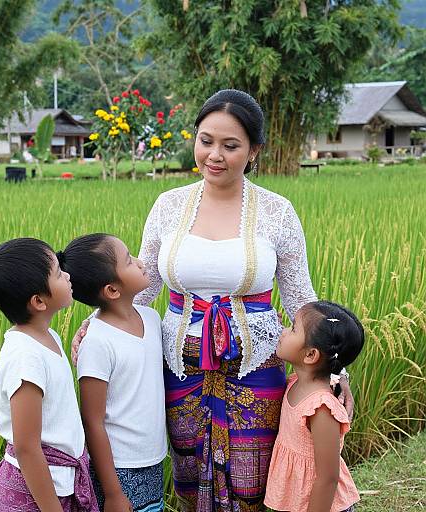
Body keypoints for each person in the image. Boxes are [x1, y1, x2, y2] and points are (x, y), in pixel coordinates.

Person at [72, 89, 353, 511]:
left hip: (256, 366)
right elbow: (143, 284)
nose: (214, 155)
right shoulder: (169, 205)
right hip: (178, 366)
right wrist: (97, 324)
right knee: (188, 474)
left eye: (231, 145)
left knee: (253, 482)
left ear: (254, 150)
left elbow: (300, 298)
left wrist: (337, 370)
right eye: (206, 141)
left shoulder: (278, 212)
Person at [0, 238, 98, 512]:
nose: (67, 276)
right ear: (38, 301)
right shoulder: (26, 359)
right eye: (58, 273)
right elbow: (27, 447)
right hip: (35, 494)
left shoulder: (49, 337)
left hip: (59, 482)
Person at [58, 234, 167, 512]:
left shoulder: (152, 319)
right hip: (118, 468)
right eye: (129, 260)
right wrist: (113, 493)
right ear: (112, 290)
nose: (142, 263)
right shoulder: (96, 343)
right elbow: (92, 420)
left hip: (152, 459)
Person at [264, 301, 364, 512]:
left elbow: (328, 478)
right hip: (298, 502)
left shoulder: (321, 407)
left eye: (292, 329)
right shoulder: (294, 383)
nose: (283, 332)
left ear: (310, 355)